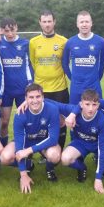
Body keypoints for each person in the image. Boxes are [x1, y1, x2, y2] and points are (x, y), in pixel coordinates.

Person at [40, 90, 104, 194]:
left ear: (98, 105)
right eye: (87, 104)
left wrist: (98, 178)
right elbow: (51, 102)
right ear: (81, 104)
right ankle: (82, 168)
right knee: (65, 159)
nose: (91, 108)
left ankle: (103, 166)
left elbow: (102, 147)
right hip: (81, 143)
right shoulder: (72, 111)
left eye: (94, 105)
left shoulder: (102, 119)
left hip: (99, 144)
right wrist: (27, 102)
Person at [0, 83, 61, 194]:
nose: (35, 100)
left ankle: (49, 168)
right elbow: (19, 146)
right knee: (4, 157)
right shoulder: (20, 114)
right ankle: (28, 165)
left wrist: (29, 151)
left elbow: (53, 139)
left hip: (44, 141)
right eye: (31, 97)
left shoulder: (52, 110)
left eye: (38, 97)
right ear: (25, 99)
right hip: (25, 141)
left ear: (43, 97)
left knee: (54, 156)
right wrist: (23, 174)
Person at [29, 10, 68, 149]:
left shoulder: (63, 41)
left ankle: (60, 150)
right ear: (40, 23)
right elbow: (33, 63)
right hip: (41, 90)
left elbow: (66, 63)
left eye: (49, 21)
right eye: (44, 21)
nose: (47, 24)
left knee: (61, 120)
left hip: (59, 88)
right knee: (43, 121)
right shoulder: (33, 42)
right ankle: (45, 151)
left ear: (54, 22)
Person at [0, 18, 33, 147]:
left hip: (22, 90)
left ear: (16, 28)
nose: (10, 33)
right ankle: (4, 148)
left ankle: (26, 148)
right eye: (6, 31)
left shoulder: (25, 43)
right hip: (6, 91)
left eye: (12, 30)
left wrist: (30, 83)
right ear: (2, 31)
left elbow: (29, 65)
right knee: (4, 122)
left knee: (26, 121)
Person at [62, 11, 104, 104]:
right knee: (74, 113)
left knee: (96, 112)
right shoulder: (70, 42)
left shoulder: (100, 41)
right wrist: (73, 78)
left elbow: (102, 64)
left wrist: (96, 79)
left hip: (94, 86)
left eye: (87, 21)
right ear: (77, 24)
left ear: (91, 23)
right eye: (81, 22)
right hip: (76, 87)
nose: (84, 24)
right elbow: (65, 63)